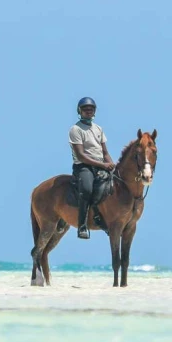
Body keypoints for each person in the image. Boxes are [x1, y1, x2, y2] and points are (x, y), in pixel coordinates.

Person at [69, 97, 115, 239]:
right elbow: (81, 155)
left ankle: (103, 219)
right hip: (83, 167)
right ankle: (82, 226)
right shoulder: (76, 129)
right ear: (80, 111)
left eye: (91, 109)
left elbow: (105, 153)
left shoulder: (98, 129)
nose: (88, 112)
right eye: (85, 109)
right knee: (87, 189)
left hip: (100, 164)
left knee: (112, 187)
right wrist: (103, 165)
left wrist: (112, 166)